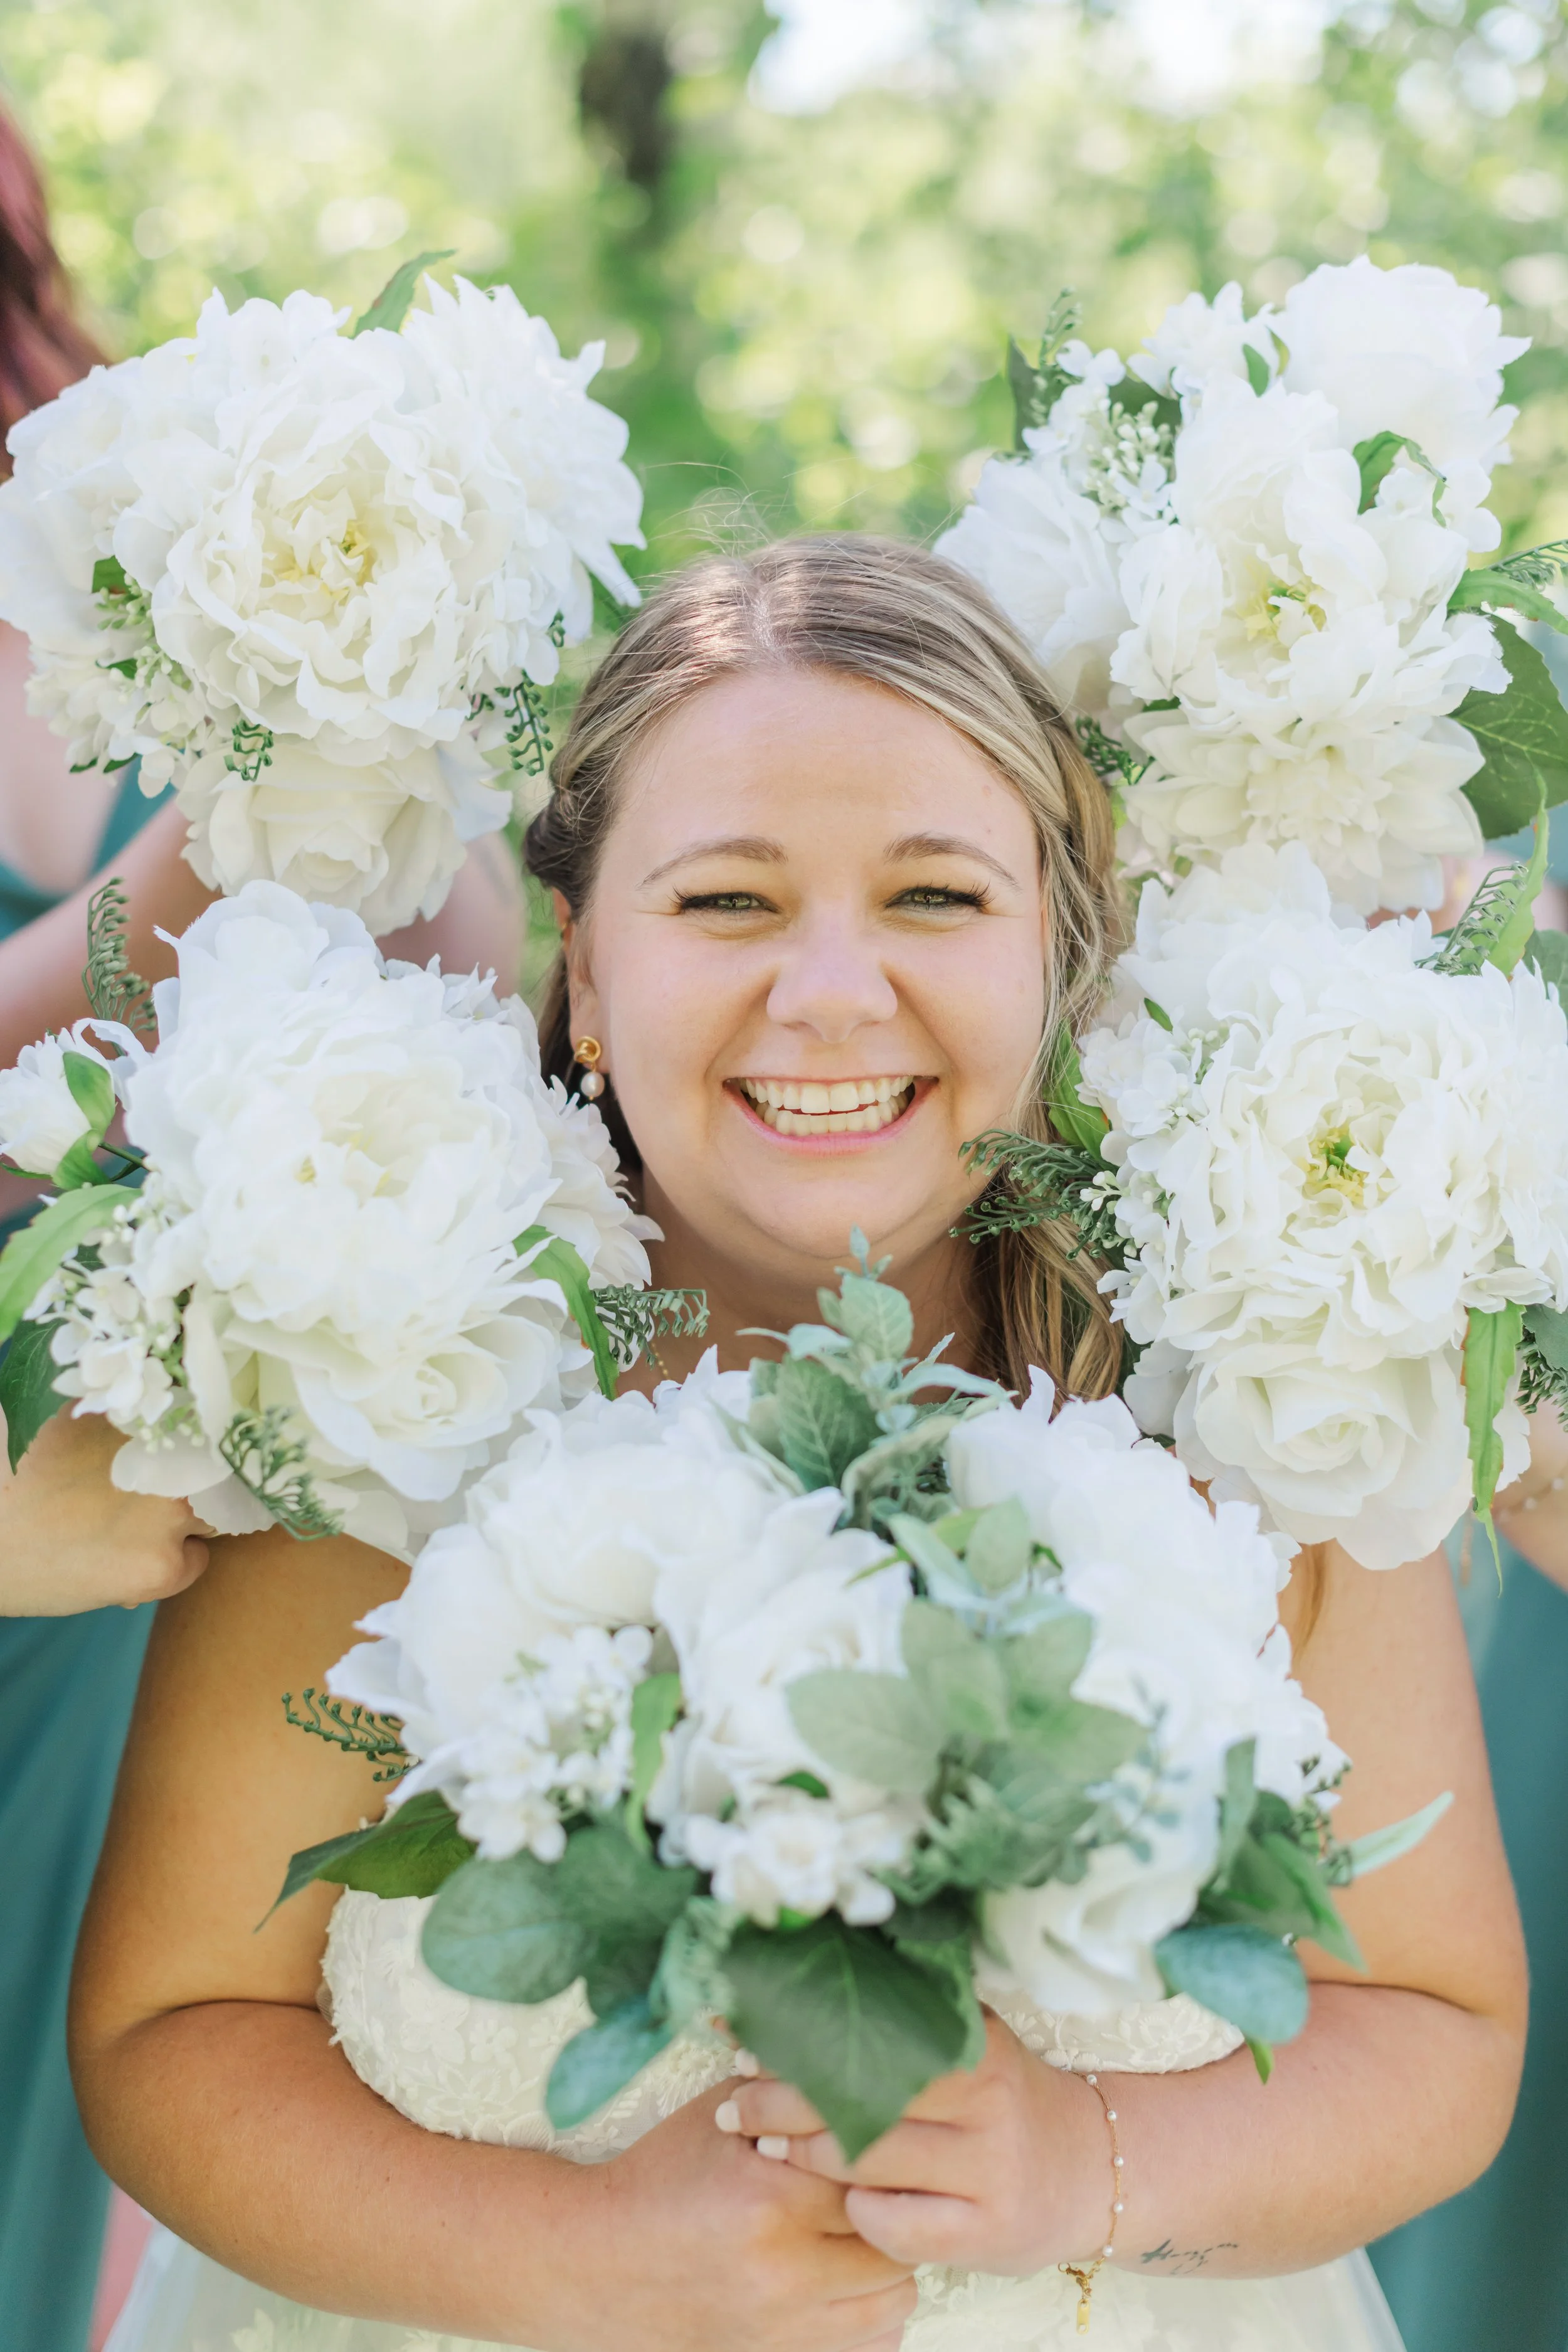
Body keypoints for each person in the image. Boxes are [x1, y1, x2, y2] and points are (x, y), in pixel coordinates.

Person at [72, 539, 1522, 2352]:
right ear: (584, 972)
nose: (831, 992)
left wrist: (1094, 2162)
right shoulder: (390, 1397)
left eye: (932, 898)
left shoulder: (1257, 1401)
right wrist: (578, 2259)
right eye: (727, 904)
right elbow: (168, 2029)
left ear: (1061, 950)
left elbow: (1442, 2027)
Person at [0, 114, 527, 2352]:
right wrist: (195, 869)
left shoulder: (156, 540)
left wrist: (382, 766)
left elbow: (500, 1031)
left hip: (140, 1542)